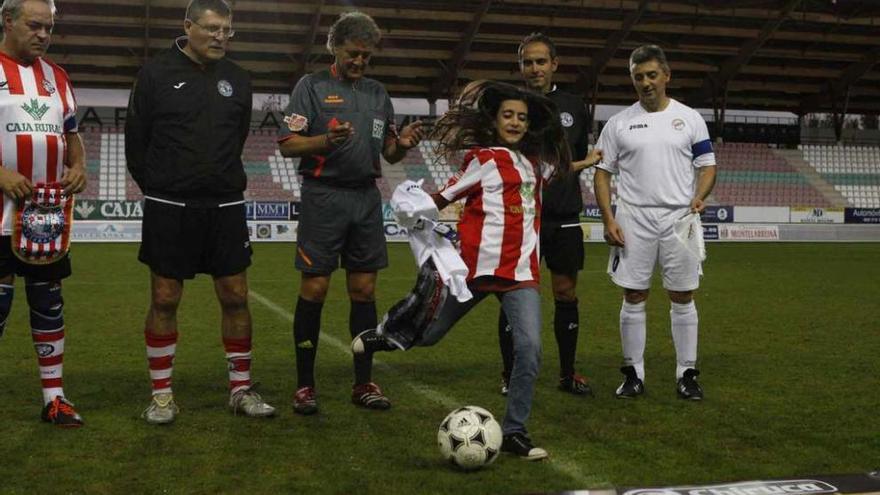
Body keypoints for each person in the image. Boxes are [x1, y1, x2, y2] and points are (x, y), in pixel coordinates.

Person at [353, 80, 603, 460]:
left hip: (520, 275)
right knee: (431, 334)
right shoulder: (483, 159)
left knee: (530, 349)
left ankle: (516, 431)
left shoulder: (534, 164)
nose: (516, 122)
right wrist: (414, 207)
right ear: (495, 119)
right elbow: (444, 197)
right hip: (473, 270)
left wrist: (589, 160)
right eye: (508, 115)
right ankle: (384, 335)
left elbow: (558, 172)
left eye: (522, 116)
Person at [125, 0, 275, 424]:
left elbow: (238, 135)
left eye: (227, 30)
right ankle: (161, 397)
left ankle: (240, 389)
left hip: (225, 204)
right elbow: (137, 143)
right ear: (187, 27)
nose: (220, 37)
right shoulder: (154, 73)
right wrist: (162, 186)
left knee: (236, 296)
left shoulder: (237, 79)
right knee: (165, 298)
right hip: (169, 205)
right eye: (211, 29)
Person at [278, 11, 424, 415]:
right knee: (315, 290)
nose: (359, 62)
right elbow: (288, 144)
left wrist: (405, 143)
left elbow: (389, 151)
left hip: (365, 198)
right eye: (352, 54)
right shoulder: (311, 86)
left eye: (366, 56)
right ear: (334, 48)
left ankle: (363, 383)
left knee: (363, 292)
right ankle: (305, 386)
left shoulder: (378, 94)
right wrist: (325, 139)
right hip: (323, 197)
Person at [593, 44, 716, 400]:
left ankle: (687, 373)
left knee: (682, 294)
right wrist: (608, 217)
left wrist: (700, 195)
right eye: (638, 77)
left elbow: (707, 165)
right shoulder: (619, 123)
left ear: (666, 75)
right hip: (633, 218)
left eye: (651, 75)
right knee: (634, 294)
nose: (645, 82)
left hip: (679, 218)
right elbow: (602, 174)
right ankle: (633, 374)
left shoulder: (689, 118)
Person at [0, 0, 86, 427]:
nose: (42, 34)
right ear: (7, 21)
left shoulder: (58, 77)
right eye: (34, 25)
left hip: (46, 215)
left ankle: (55, 397)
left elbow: (72, 134)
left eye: (48, 28)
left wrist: (79, 167)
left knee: (48, 302)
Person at [496, 32, 594, 397]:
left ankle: (568, 373)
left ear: (554, 64)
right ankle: (510, 373)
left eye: (541, 61)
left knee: (565, 292)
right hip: (521, 216)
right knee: (514, 295)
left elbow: (577, 157)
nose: (534, 68)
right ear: (520, 67)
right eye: (527, 62)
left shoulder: (573, 105)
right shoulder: (511, 104)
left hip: (564, 214)